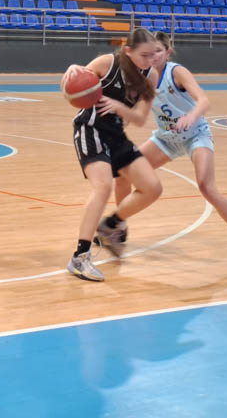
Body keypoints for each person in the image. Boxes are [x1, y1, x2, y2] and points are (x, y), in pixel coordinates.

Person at [121, 32, 227, 269]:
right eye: (150, 52)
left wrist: (191, 116)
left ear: (168, 52)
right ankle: (119, 225)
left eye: (159, 51)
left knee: (206, 186)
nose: (154, 56)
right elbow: (134, 107)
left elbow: (204, 101)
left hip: (195, 135)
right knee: (124, 170)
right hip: (166, 139)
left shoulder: (176, 72)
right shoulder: (143, 77)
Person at [62, 27, 161, 282]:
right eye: (145, 55)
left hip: (116, 134)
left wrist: (118, 106)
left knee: (152, 188)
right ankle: (80, 257)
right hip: (90, 128)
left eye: (154, 54)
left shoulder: (151, 76)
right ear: (128, 51)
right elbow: (71, 90)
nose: (151, 60)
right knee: (103, 186)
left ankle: (110, 225)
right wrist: (72, 71)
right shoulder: (108, 64)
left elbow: (139, 118)